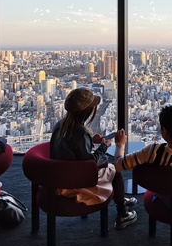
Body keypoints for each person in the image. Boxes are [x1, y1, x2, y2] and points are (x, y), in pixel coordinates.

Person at [49, 88, 137, 230]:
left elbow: (72, 145)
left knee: (108, 167)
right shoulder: (81, 133)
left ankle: (118, 197)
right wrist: (104, 146)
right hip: (77, 184)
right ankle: (122, 213)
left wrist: (90, 139)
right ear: (88, 111)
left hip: (59, 179)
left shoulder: (60, 125)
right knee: (115, 171)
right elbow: (90, 165)